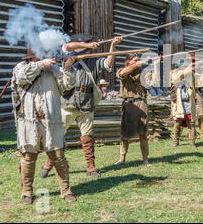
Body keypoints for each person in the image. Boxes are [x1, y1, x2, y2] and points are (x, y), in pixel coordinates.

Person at [40, 34, 122, 178]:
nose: (88, 47)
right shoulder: (66, 56)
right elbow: (67, 46)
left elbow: (108, 63)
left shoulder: (93, 60)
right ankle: (48, 164)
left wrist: (113, 45)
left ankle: (91, 167)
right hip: (68, 102)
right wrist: (87, 46)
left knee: (87, 137)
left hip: (86, 102)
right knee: (57, 135)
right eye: (84, 44)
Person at [12, 49, 76, 204]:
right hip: (28, 122)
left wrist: (67, 67)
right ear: (31, 57)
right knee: (28, 158)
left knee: (58, 156)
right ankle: (27, 191)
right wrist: (41, 64)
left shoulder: (53, 70)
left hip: (51, 121)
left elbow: (67, 85)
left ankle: (66, 190)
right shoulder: (21, 67)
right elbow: (21, 78)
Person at [114, 53, 159, 166]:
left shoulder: (143, 73)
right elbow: (122, 73)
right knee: (125, 134)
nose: (137, 62)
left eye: (138, 60)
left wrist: (157, 64)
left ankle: (145, 159)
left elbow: (155, 82)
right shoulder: (123, 70)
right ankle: (122, 158)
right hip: (129, 104)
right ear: (128, 61)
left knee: (142, 133)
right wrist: (137, 64)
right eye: (134, 60)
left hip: (141, 103)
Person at [170, 61, 197, 148]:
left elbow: (197, 79)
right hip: (179, 104)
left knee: (191, 125)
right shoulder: (174, 74)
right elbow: (175, 80)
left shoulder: (189, 74)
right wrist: (187, 70)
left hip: (188, 103)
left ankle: (192, 142)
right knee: (177, 124)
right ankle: (175, 141)